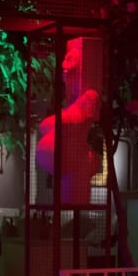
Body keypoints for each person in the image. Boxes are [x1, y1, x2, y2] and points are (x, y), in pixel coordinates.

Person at [36, 39, 102, 206]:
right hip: (67, 164)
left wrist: (61, 120)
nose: (64, 65)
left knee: (75, 204)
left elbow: (71, 120)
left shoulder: (88, 98)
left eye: (70, 59)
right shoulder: (71, 104)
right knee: (68, 205)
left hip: (75, 163)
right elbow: (46, 125)